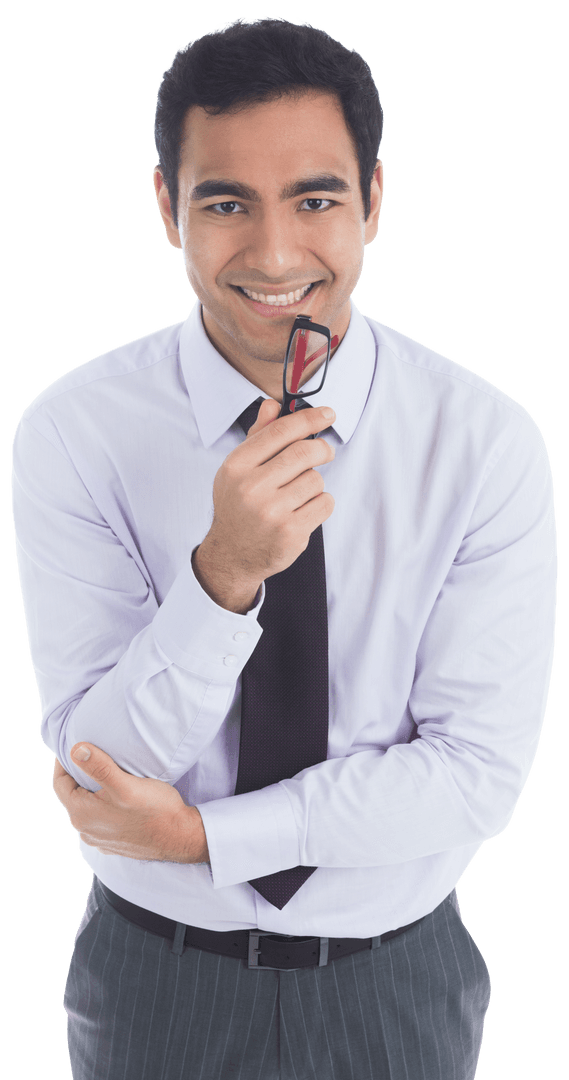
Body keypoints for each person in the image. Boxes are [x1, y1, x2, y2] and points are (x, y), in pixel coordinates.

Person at [10, 15, 557, 1080]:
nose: (271, 255)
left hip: (393, 977)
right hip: (151, 978)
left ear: (374, 205)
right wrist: (222, 575)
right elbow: (99, 773)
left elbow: (472, 776)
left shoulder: (482, 441)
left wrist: (207, 841)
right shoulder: (75, 430)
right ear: (168, 208)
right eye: (225, 203)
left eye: (315, 200)